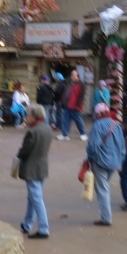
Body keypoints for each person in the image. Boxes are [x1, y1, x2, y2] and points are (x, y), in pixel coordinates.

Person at [85, 103, 125, 225]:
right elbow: (122, 145)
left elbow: (93, 146)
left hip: (100, 161)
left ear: (98, 114)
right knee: (105, 187)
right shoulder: (116, 125)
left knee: (102, 189)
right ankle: (105, 216)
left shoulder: (97, 125)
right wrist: (120, 161)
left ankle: (106, 218)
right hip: (114, 162)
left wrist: (90, 158)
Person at [17, 105, 53, 238]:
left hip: (31, 168)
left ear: (34, 116)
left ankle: (44, 228)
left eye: (28, 115)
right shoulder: (47, 128)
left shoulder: (32, 132)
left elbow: (25, 150)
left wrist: (18, 156)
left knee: (36, 198)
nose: (26, 117)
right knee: (33, 198)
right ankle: (27, 224)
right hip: (42, 166)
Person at [58, 70, 88, 141]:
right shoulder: (70, 84)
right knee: (65, 120)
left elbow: (82, 96)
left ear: (77, 76)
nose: (72, 76)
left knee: (78, 121)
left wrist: (78, 104)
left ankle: (83, 134)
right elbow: (66, 93)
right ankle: (65, 134)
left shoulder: (81, 84)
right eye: (72, 75)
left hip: (75, 106)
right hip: (67, 105)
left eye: (74, 75)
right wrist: (63, 102)